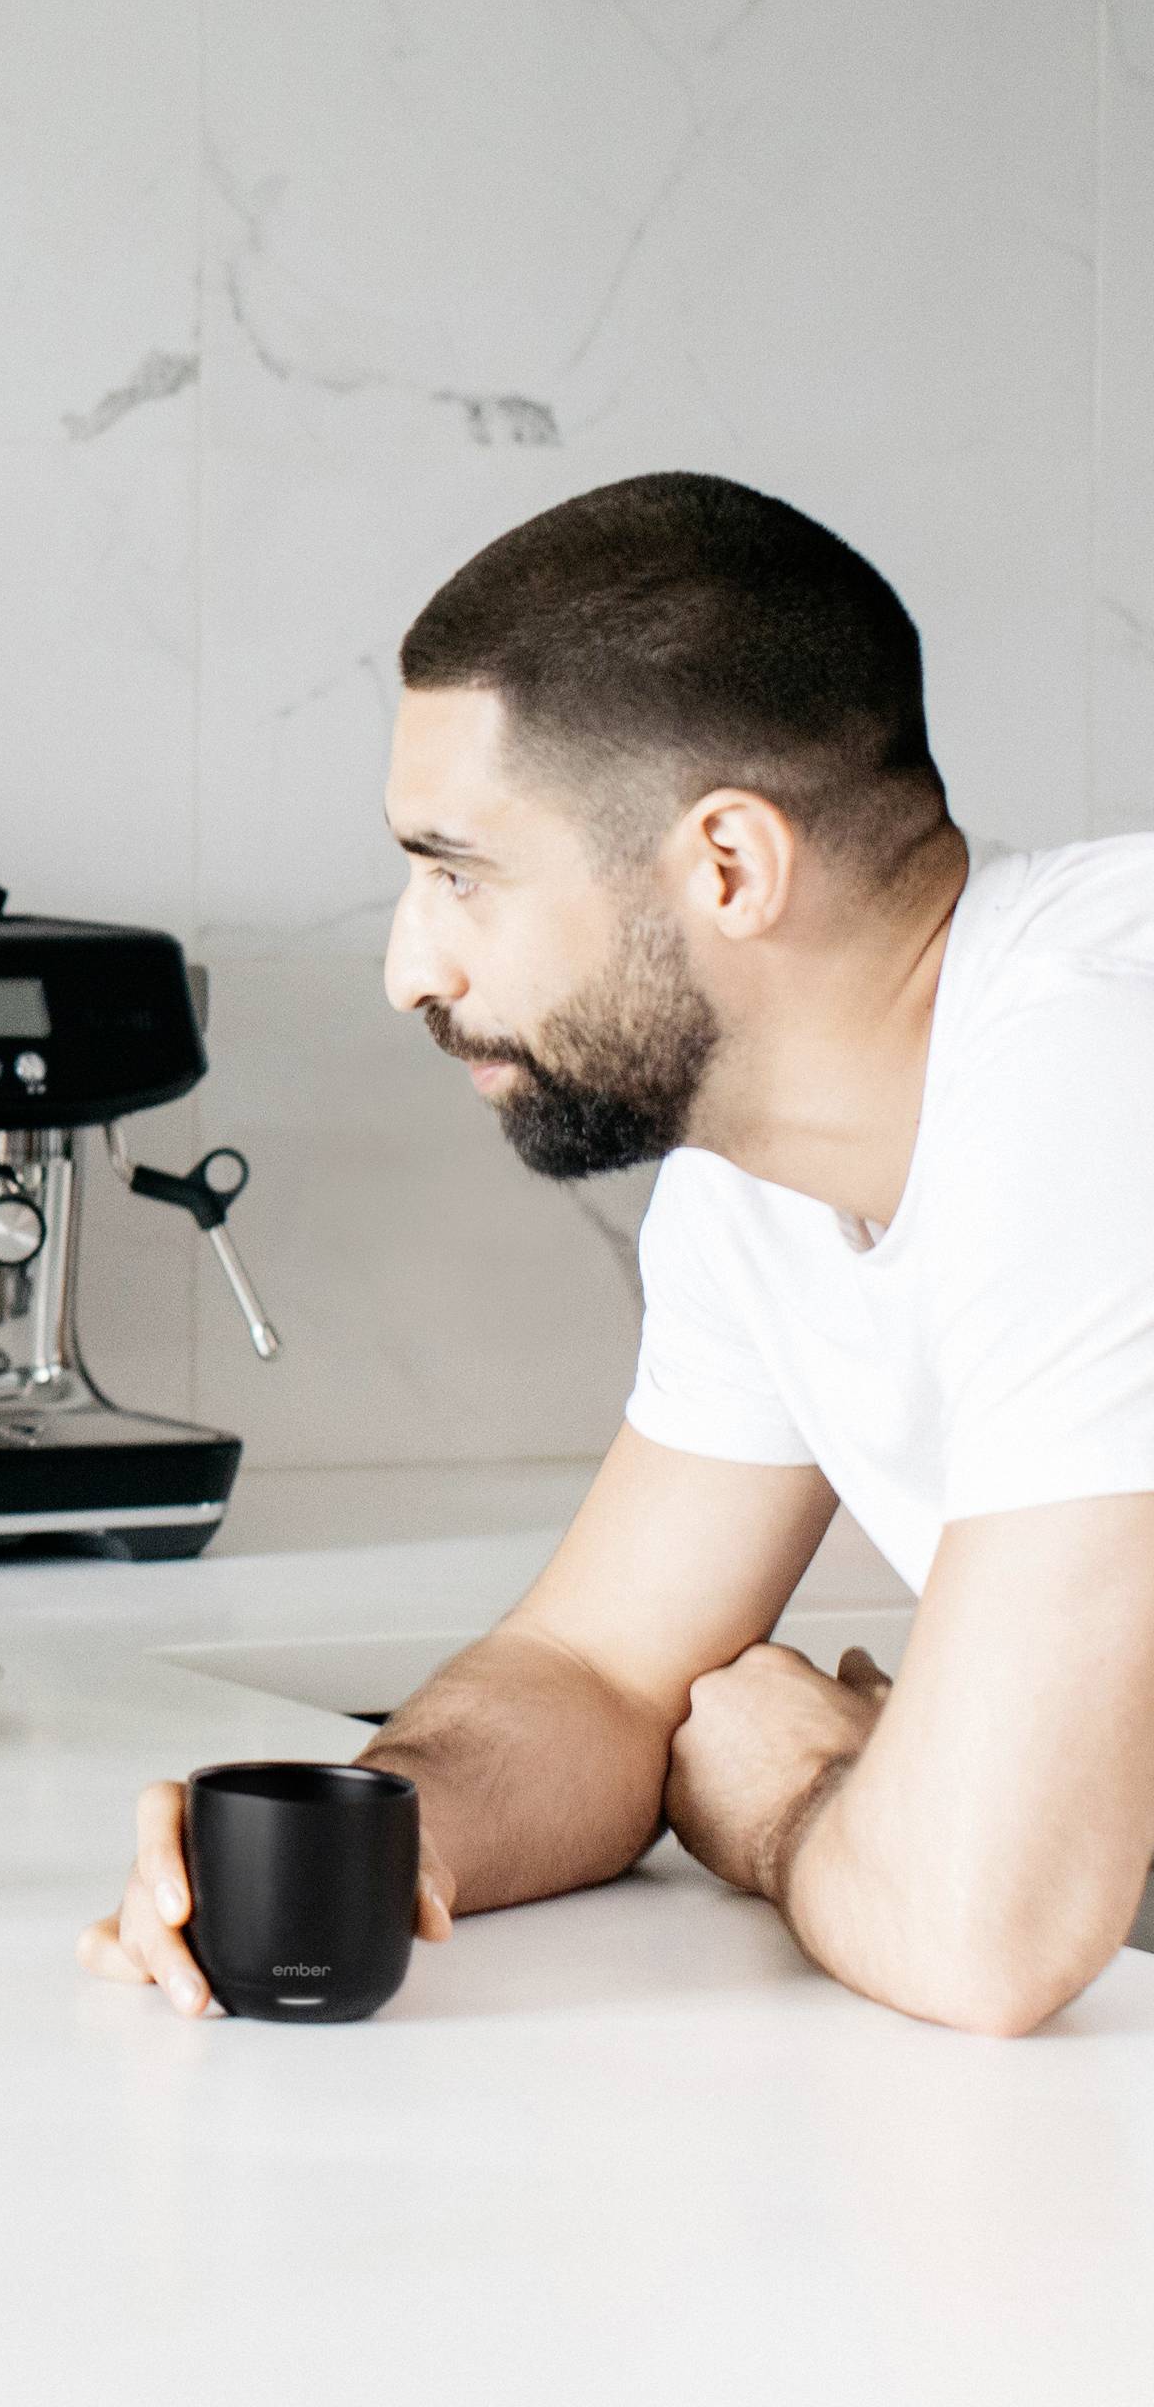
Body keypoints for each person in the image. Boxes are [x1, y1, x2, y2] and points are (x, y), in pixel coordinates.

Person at [82, 471, 1154, 2039]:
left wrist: (791, 1797)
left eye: (460, 873)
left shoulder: (1091, 1064)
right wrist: (383, 1830)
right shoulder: (758, 1166)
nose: (408, 967)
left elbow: (981, 1934)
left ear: (726, 866)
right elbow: (598, 1670)